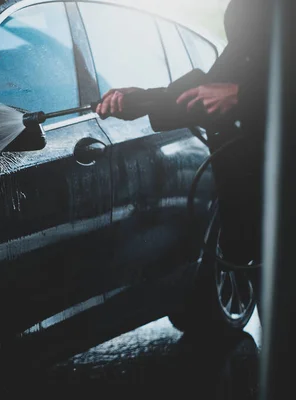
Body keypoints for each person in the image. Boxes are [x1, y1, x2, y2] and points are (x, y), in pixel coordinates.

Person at [94, 0, 272, 267]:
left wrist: (243, 95)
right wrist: (143, 100)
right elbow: (210, 91)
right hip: (256, 204)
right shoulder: (248, 10)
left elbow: (237, 90)